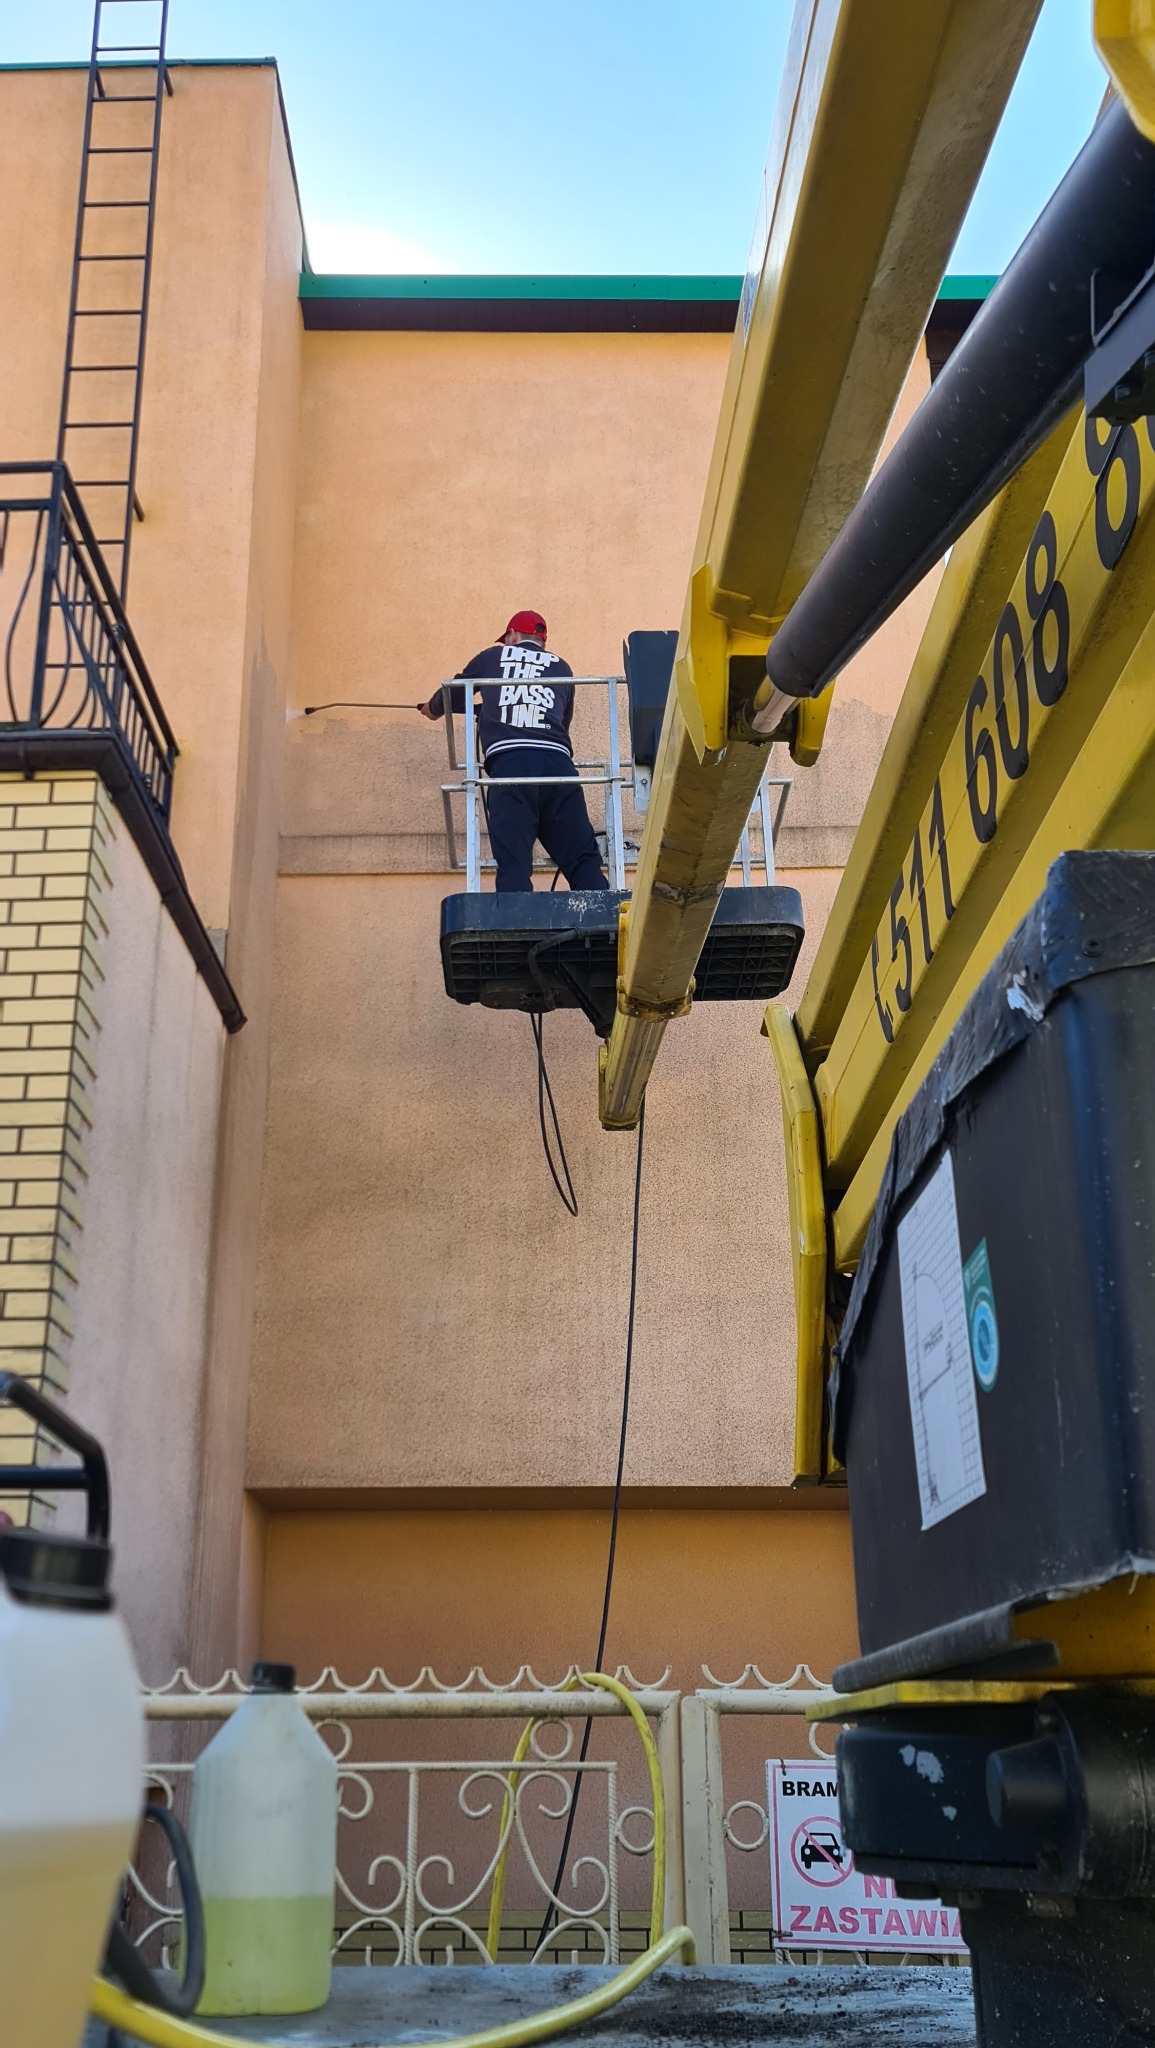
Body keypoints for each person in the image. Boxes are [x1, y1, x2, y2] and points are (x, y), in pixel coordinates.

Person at [420, 611, 609, 894]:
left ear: (512, 635)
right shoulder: (561, 668)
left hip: (511, 768)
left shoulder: (494, 657)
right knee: (582, 859)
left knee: (514, 864)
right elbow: (556, 722)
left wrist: (431, 710)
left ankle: (518, 920)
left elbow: (454, 691)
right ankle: (603, 920)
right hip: (558, 767)